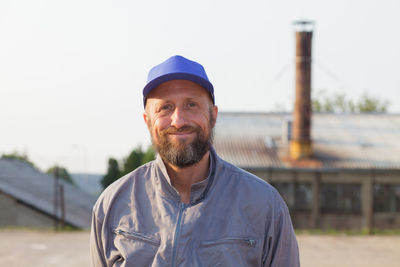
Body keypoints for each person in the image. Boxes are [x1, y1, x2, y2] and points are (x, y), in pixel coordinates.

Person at [90, 55, 300, 266]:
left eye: (191, 105)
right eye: (165, 107)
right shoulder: (112, 204)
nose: (179, 121)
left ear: (213, 115)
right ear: (148, 120)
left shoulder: (264, 205)